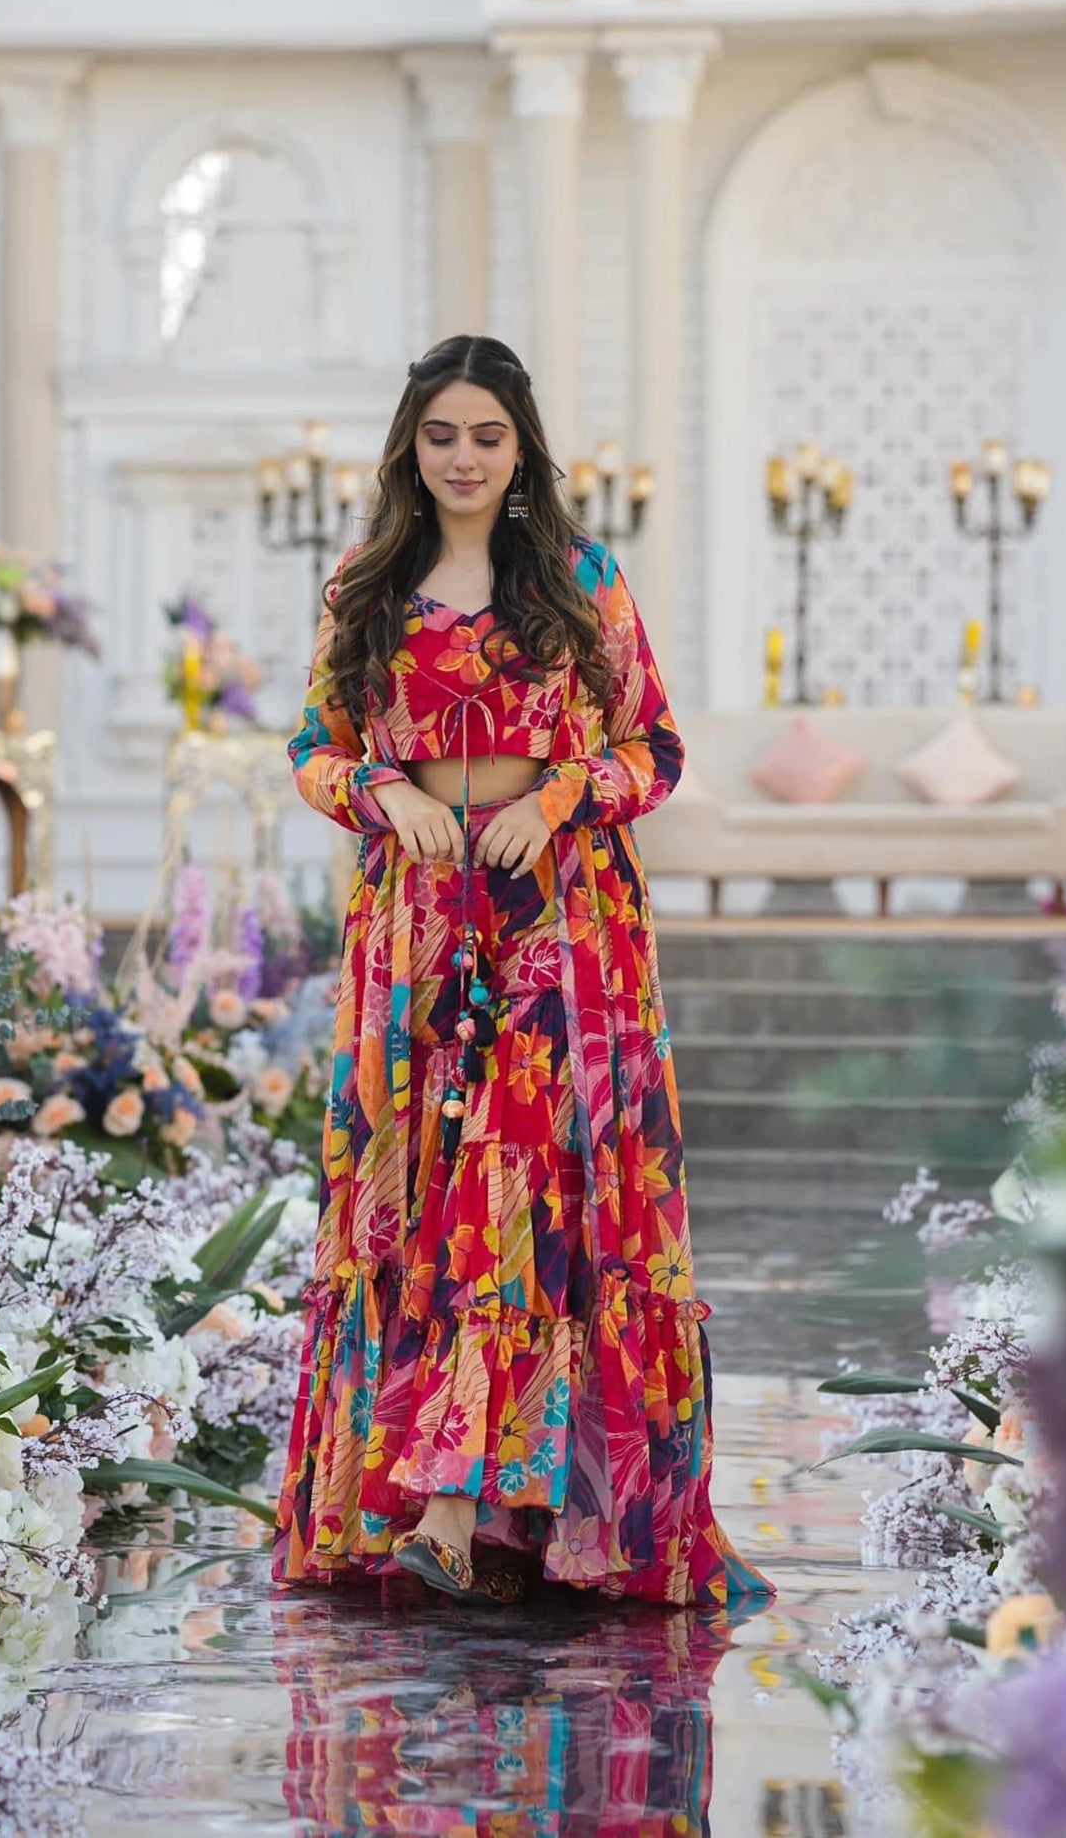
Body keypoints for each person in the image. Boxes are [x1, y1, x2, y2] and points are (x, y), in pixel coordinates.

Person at [271, 333, 772, 1612]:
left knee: (525, 1189)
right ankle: (446, 1501)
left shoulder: (575, 576)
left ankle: (488, 1508)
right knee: (428, 1182)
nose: (462, 457)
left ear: (520, 446)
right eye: (440, 434)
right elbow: (312, 750)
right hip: (420, 928)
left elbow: (652, 751)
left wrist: (557, 797)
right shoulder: (366, 585)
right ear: (410, 444)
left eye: (486, 435)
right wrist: (380, 791)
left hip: (561, 917)